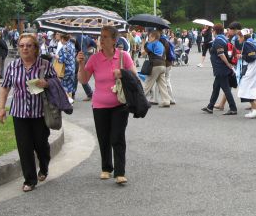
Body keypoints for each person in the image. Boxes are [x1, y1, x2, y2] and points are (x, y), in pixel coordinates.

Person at [77, 25, 136, 185]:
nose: (101, 40)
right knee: (103, 138)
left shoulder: (124, 56)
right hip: (100, 105)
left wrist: (122, 73)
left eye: (105, 37)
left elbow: (135, 78)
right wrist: (81, 64)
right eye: (100, 37)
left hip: (120, 104)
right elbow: (83, 80)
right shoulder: (94, 58)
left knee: (117, 136)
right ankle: (106, 168)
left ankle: (120, 172)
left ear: (114, 40)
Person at [0, 33, 56, 192]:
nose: (25, 48)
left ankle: (44, 166)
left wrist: (47, 83)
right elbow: (5, 87)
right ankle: (30, 179)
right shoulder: (13, 66)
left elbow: (57, 83)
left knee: (41, 145)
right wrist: (1, 108)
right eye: (22, 45)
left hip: (40, 113)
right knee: (24, 147)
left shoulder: (45, 65)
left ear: (35, 48)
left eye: (28, 45)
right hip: (19, 113)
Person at [201, 24, 237, 115]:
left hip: (221, 68)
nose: (212, 32)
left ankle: (233, 108)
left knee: (226, 89)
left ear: (215, 31)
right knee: (216, 87)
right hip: (221, 68)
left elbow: (221, 54)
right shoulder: (225, 39)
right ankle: (210, 106)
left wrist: (228, 64)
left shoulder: (218, 40)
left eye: (213, 30)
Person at [237, 28, 256, 118]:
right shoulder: (252, 42)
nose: (238, 39)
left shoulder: (247, 44)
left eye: (239, 37)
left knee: (245, 86)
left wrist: (242, 56)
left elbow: (252, 56)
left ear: (243, 36)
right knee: (251, 86)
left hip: (254, 66)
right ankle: (254, 109)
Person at [142, 30, 172, 108]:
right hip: (163, 65)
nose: (149, 38)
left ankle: (138, 100)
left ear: (154, 37)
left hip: (155, 65)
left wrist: (143, 43)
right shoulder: (161, 44)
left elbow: (142, 53)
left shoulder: (151, 44)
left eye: (150, 36)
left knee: (147, 84)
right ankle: (166, 101)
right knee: (162, 84)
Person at [57, 34, 77, 104]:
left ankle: (67, 100)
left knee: (63, 85)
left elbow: (63, 59)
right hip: (72, 68)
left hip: (66, 69)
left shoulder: (65, 47)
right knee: (70, 86)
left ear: (62, 39)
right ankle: (70, 100)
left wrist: (57, 57)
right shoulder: (72, 45)